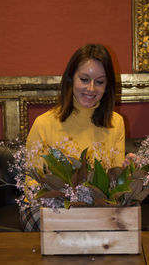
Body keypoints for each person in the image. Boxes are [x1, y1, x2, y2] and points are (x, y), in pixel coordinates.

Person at [20, 44, 125, 231]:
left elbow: (113, 183)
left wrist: (127, 171)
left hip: (95, 208)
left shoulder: (116, 122)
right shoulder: (44, 123)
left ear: (107, 86)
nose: (91, 89)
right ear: (71, 79)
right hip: (50, 207)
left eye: (100, 82)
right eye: (84, 79)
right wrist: (61, 203)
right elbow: (31, 180)